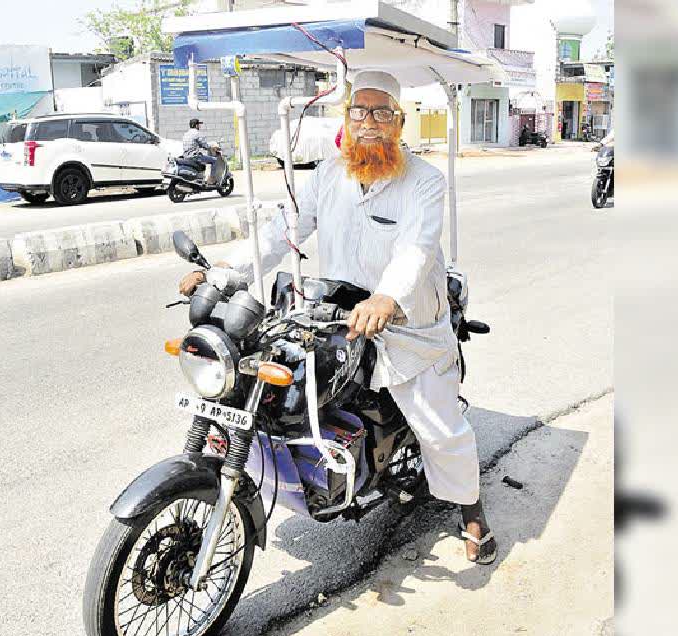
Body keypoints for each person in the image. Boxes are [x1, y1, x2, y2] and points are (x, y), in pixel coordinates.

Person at [177, 70, 497, 565]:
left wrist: (387, 298)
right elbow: (283, 231)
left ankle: (471, 511)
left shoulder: (424, 182)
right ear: (345, 118)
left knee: (437, 425)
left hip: (408, 322)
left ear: (399, 122)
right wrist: (226, 270)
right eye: (359, 111)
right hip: (336, 314)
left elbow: (415, 248)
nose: (369, 122)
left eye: (381, 113)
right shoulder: (328, 174)